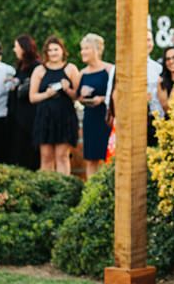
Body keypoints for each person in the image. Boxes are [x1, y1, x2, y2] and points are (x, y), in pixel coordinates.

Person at [30, 35, 79, 174]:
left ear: (62, 50)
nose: (53, 53)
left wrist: (67, 89)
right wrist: (47, 94)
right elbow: (32, 97)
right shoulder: (39, 70)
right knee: (46, 157)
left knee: (62, 156)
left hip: (64, 117)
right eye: (50, 50)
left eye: (56, 49)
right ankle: (47, 190)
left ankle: (63, 189)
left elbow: (77, 95)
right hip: (45, 118)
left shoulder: (71, 69)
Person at [76, 33, 114, 178]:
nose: (83, 52)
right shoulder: (82, 73)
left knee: (108, 157)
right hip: (90, 119)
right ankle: (90, 192)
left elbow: (117, 94)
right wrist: (82, 97)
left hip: (106, 118)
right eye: (82, 49)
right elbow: (77, 98)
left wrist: (102, 99)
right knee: (91, 159)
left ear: (97, 50)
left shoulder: (109, 70)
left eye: (86, 49)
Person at [9, 35, 41, 169]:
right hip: (18, 114)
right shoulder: (21, 66)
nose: (14, 50)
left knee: (29, 151)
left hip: (30, 115)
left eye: (16, 47)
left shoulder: (36, 67)